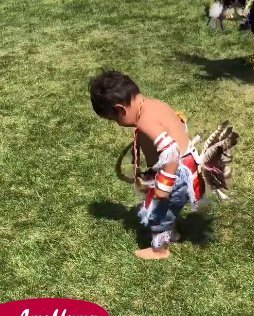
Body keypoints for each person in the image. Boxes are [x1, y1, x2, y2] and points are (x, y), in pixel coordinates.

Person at [89, 70, 215, 260]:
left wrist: (163, 186)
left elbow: (171, 152)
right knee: (164, 207)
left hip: (177, 170)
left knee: (157, 208)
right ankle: (172, 232)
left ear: (121, 109)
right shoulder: (156, 105)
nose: (117, 124)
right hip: (187, 166)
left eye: (115, 119)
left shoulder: (145, 121)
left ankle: (160, 250)